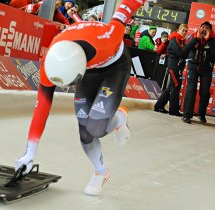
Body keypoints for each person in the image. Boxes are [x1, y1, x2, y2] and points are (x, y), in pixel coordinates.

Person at [15, 0, 154, 196]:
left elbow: (124, 9)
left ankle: (119, 118)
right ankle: (100, 172)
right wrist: (30, 152)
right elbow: (42, 108)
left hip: (114, 67)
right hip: (87, 70)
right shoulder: (51, 63)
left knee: (96, 128)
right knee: (85, 132)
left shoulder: (108, 39)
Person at [154, 24, 196, 116]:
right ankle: (173, 110)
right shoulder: (174, 39)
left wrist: (185, 51)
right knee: (175, 87)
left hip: (178, 66)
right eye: (183, 30)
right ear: (178, 30)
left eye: (186, 31)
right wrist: (187, 49)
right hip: (174, 66)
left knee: (171, 87)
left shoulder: (181, 40)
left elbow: (185, 54)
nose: (184, 32)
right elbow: (180, 53)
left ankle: (159, 106)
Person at [182, 21, 215, 124]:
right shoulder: (193, 37)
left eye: (207, 28)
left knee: (205, 93)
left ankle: (201, 114)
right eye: (202, 28)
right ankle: (187, 115)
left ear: (210, 30)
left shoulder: (213, 40)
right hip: (193, 67)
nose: (204, 30)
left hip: (206, 69)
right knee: (191, 90)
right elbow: (185, 50)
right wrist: (196, 38)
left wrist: (208, 40)